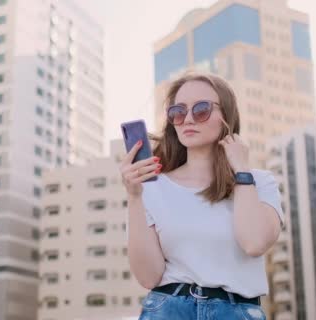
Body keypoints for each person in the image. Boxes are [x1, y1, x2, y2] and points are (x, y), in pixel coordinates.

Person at [120, 73, 284, 319]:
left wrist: (241, 170)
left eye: (201, 109)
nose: (187, 119)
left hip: (236, 311)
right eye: (178, 111)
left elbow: (255, 243)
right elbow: (148, 276)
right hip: (168, 310)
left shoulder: (259, 182)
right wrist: (134, 197)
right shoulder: (151, 187)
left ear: (226, 116)